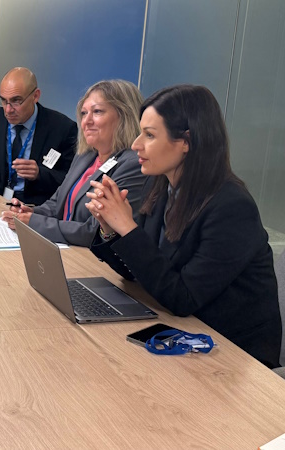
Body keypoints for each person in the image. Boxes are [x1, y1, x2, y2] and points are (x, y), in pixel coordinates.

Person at [85, 84, 281, 367]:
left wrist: (128, 229)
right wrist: (110, 229)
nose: (136, 144)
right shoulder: (160, 185)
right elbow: (140, 273)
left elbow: (183, 297)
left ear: (186, 142)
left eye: (149, 135)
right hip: (181, 333)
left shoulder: (232, 207)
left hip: (233, 357)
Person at [2, 79, 146, 247]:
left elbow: (94, 231)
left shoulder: (133, 164)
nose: (87, 121)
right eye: (84, 113)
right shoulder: (85, 156)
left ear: (125, 116)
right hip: (64, 248)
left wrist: (34, 222)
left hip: (91, 257)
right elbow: (56, 204)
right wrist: (30, 212)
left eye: (97, 111)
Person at [0, 67, 77, 206]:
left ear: (35, 96)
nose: (8, 110)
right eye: (4, 100)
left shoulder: (62, 128)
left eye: (16, 101)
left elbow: (70, 180)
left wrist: (39, 173)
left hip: (36, 206)